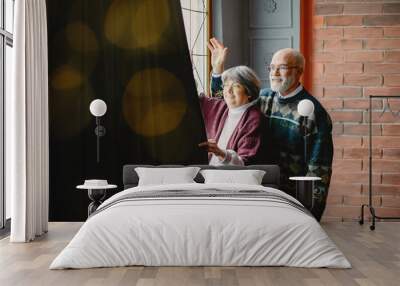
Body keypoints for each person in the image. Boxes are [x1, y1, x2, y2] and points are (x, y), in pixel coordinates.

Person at [208, 38, 333, 221]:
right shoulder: (265, 98)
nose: (274, 73)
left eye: (282, 67)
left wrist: (312, 212)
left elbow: (319, 168)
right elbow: (227, 101)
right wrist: (218, 71)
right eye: (272, 67)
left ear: (299, 71)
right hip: (262, 190)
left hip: (292, 198)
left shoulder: (314, 113)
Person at [198, 65, 264, 166]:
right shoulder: (220, 106)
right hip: (208, 173)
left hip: (230, 179)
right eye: (226, 85)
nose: (228, 91)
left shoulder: (254, 119)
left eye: (235, 85)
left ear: (249, 92)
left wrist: (219, 152)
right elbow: (195, 99)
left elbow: (244, 164)